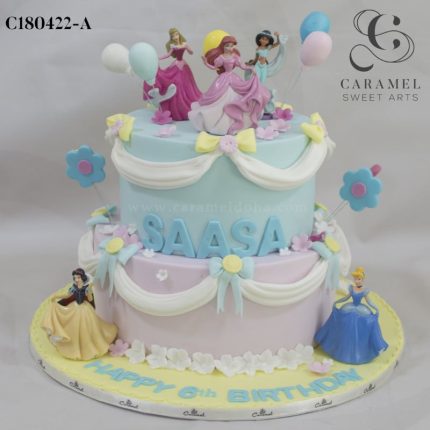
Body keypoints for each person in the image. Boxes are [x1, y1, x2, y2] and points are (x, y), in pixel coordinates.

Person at [188, 35, 270, 136]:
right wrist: (206, 63)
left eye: (231, 46)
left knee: (239, 95)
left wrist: (251, 68)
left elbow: (243, 66)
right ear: (223, 46)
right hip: (223, 79)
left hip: (234, 79)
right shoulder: (221, 58)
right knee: (218, 97)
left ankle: (237, 120)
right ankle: (218, 122)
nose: (230, 48)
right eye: (227, 45)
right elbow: (214, 67)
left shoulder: (235, 57)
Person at [314, 267, 388, 364]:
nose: (357, 281)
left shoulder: (364, 290)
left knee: (368, 319)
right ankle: (338, 345)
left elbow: (368, 301)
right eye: (356, 279)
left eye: (359, 279)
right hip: (350, 307)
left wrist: (375, 308)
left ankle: (363, 349)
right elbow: (346, 297)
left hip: (360, 309)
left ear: (362, 279)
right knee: (341, 316)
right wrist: (337, 302)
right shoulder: (352, 288)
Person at [42, 268, 117, 360]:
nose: (76, 279)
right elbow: (67, 295)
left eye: (78, 277)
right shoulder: (73, 287)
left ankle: (87, 347)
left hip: (85, 309)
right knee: (73, 326)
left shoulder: (86, 288)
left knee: (88, 327)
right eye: (75, 278)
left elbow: (90, 299)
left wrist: (89, 291)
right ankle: (73, 346)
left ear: (82, 278)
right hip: (74, 308)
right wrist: (56, 296)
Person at [144, 28, 201, 121]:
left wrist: (188, 48)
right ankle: (177, 105)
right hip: (176, 64)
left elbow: (191, 52)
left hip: (183, 64)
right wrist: (157, 57)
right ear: (171, 38)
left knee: (187, 84)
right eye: (173, 36)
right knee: (175, 82)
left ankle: (185, 102)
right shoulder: (173, 46)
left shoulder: (184, 44)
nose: (175, 37)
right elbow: (167, 55)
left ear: (179, 34)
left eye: (176, 34)